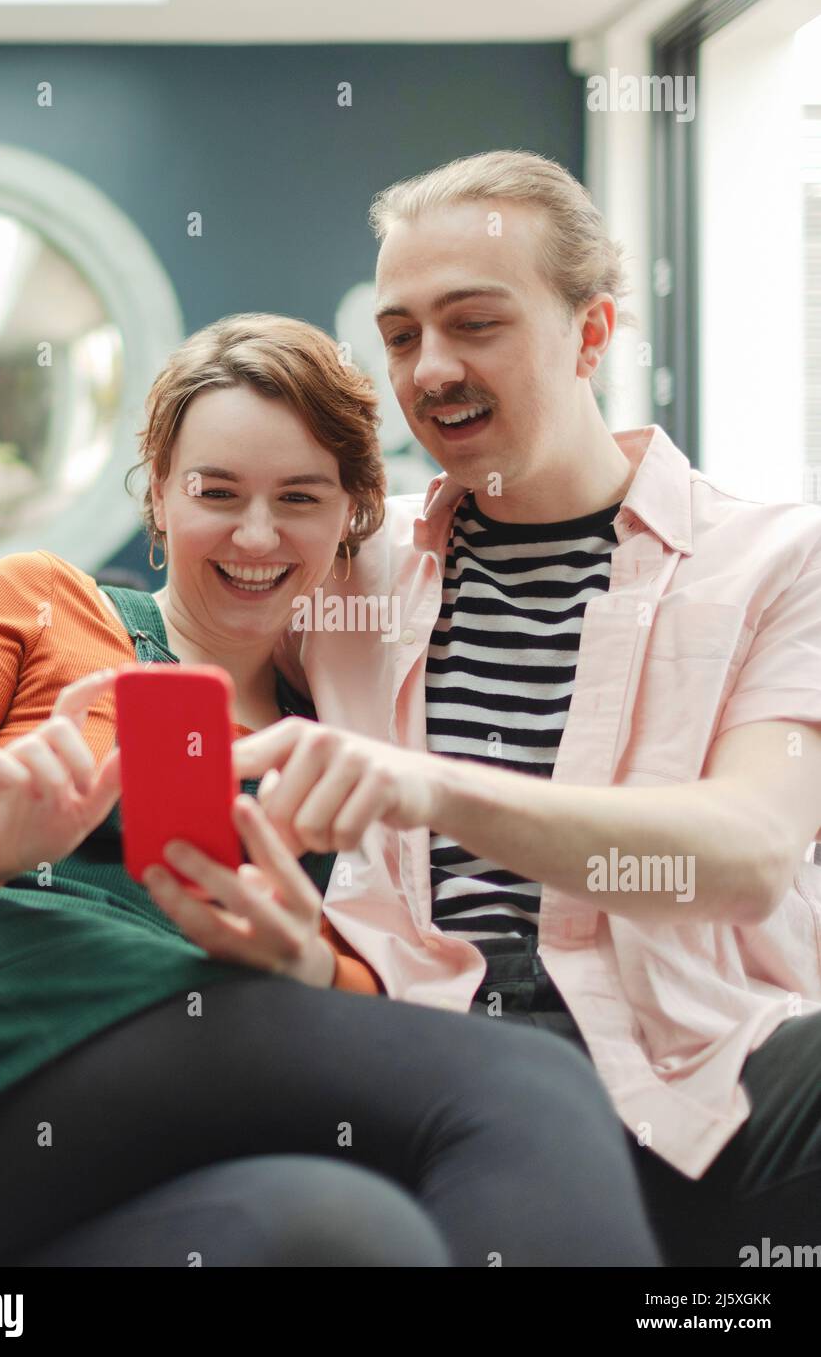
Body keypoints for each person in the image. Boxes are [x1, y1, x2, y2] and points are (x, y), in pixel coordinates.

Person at [0, 312, 661, 1267]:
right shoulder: (45, 602)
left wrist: (307, 964)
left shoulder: (354, 729)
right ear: (159, 495)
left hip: (108, 1121)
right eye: (216, 491)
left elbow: (379, 968)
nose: (256, 533)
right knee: (530, 1086)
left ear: (351, 516)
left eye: (299, 495)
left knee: (349, 1234)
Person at [156, 154, 821, 1268]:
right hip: (417, 1045)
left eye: (474, 323)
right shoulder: (348, 557)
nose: (432, 369)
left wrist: (434, 789)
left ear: (591, 332)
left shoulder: (771, 559)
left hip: (708, 1055)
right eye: (402, 333)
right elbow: (180, 623)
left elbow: (751, 853)